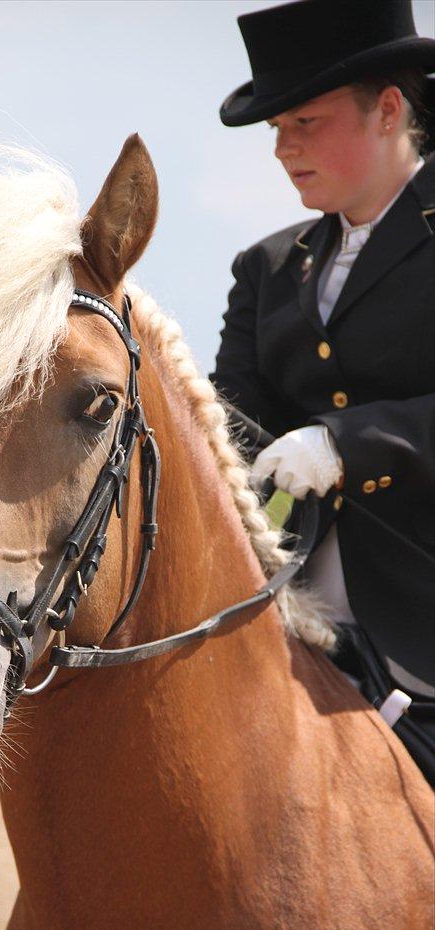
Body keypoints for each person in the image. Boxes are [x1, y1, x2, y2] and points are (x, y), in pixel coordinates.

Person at [212, 0, 435, 785]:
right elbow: (228, 425)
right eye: (276, 129)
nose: (281, 148)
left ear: (387, 109)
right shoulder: (268, 269)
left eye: (303, 120)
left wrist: (348, 445)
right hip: (305, 611)